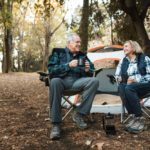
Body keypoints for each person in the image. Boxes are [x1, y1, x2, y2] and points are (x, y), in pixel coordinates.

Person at [47, 33, 99, 140]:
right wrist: (68, 65)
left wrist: (89, 70)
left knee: (94, 81)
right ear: (69, 43)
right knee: (54, 81)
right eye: (77, 42)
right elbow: (51, 70)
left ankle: (79, 113)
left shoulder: (82, 55)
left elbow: (93, 70)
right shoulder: (58, 52)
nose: (79, 44)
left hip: (78, 82)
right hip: (62, 82)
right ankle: (56, 124)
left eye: (80, 42)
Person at [115, 40, 150, 133]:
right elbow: (117, 75)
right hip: (129, 87)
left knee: (128, 88)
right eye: (123, 46)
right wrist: (119, 78)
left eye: (126, 46)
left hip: (145, 85)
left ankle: (140, 118)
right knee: (122, 87)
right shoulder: (123, 60)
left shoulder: (144, 58)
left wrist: (136, 79)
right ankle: (133, 116)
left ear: (133, 48)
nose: (124, 48)